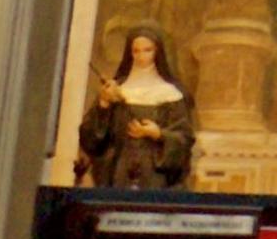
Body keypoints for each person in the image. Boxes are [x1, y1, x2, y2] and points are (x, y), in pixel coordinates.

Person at [77, 29, 194, 189]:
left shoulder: (171, 94)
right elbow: (92, 141)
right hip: (118, 175)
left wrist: (157, 134)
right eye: (136, 51)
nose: (141, 56)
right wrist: (104, 103)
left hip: (156, 179)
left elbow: (184, 141)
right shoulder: (116, 90)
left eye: (147, 50)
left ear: (158, 52)